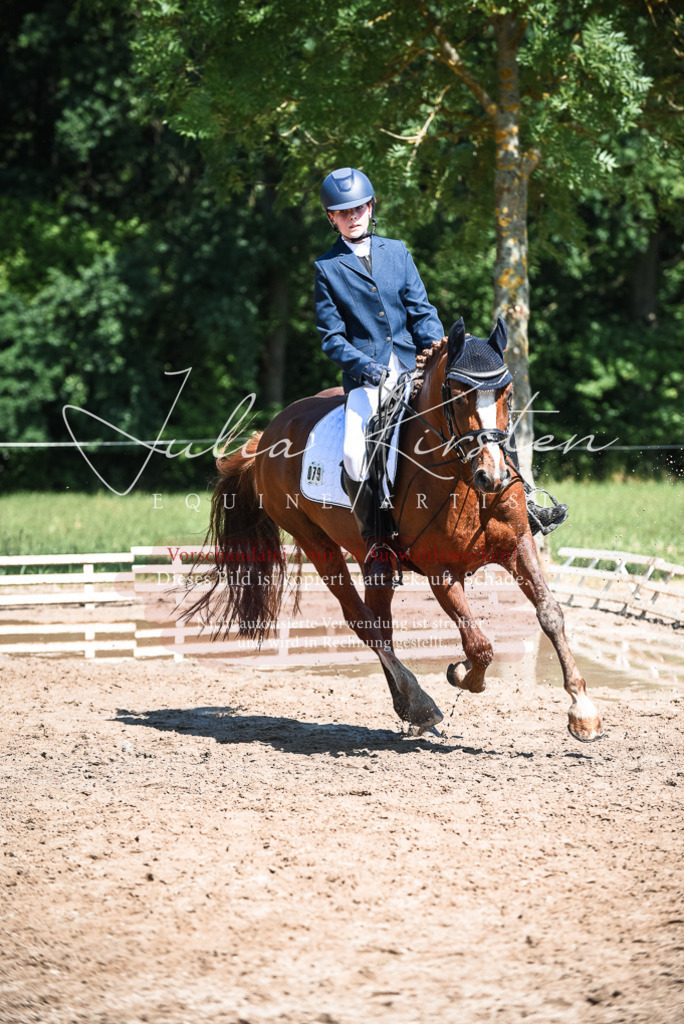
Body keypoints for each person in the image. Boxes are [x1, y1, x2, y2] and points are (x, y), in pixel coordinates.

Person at [314, 166, 445, 586]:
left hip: (413, 369)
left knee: (476, 416)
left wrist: (440, 351)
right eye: (343, 212)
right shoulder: (327, 267)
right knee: (355, 453)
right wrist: (363, 366)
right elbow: (331, 338)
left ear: (372, 207)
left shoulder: (397, 251)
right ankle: (377, 544)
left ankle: (525, 504)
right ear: (331, 218)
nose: (354, 216)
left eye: (360, 207)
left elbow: (421, 311)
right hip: (367, 378)